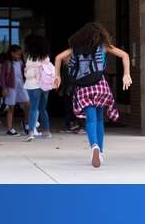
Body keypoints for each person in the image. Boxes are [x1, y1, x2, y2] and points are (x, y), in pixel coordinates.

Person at [54, 22, 132, 168]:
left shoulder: (75, 49)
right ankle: (100, 151)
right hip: (100, 85)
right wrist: (126, 74)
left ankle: (94, 146)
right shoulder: (103, 46)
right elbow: (124, 55)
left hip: (83, 87)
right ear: (100, 34)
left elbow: (58, 58)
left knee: (90, 119)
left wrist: (57, 76)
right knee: (100, 119)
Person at [23, 35, 52, 141]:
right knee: (43, 109)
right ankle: (47, 131)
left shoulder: (30, 58)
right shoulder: (46, 57)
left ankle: (31, 132)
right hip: (45, 85)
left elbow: (28, 74)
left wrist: (26, 71)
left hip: (33, 85)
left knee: (33, 108)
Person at [0, 45, 30, 136]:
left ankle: (26, 123)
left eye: (20, 55)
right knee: (11, 108)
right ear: (12, 53)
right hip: (11, 88)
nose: (19, 56)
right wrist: (4, 88)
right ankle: (10, 129)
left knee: (28, 104)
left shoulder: (21, 62)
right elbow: (2, 77)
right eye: (17, 54)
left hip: (21, 86)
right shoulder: (7, 63)